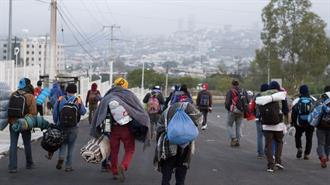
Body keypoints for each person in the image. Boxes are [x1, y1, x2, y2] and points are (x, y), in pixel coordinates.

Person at [90, 77, 150, 182]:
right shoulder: (130, 96)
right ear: (125, 86)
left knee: (114, 151)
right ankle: (123, 165)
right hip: (127, 129)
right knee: (130, 149)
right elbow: (138, 110)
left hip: (113, 129)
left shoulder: (109, 96)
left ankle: (114, 172)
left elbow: (101, 112)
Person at [154, 96, 203, 185]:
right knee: (181, 169)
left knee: (167, 169)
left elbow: (159, 127)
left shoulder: (167, 110)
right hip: (185, 145)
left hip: (168, 144)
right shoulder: (189, 107)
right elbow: (199, 119)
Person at [53, 83, 86, 172]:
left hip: (62, 126)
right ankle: (68, 166)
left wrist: (56, 122)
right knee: (71, 146)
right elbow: (83, 112)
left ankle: (61, 158)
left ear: (66, 90)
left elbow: (55, 112)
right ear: (75, 91)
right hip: (73, 127)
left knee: (62, 144)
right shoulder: (78, 100)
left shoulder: (60, 99)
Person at [7, 78, 37, 173]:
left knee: (13, 144)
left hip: (13, 122)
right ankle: (29, 163)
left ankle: (12, 167)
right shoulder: (30, 96)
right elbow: (34, 112)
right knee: (27, 143)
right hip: (25, 123)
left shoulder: (13, 94)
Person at [259, 81, 289, 172]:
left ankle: (270, 166)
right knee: (279, 142)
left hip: (266, 124)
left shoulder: (263, 95)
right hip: (278, 124)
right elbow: (285, 110)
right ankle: (278, 161)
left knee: (269, 145)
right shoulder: (281, 95)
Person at [291, 85, 316, 160]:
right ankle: (307, 154)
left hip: (299, 122)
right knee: (309, 138)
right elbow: (316, 112)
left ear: (300, 91)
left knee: (298, 136)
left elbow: (294, 112)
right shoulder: (313, 100)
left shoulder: (297, 100)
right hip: (310, 123)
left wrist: (293, 122)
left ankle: (299, 148)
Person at [225, 80, 248, 147]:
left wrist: (229, 109)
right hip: (241, 111)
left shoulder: (230, 91)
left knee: (229, 125)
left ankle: (233, 138)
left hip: (232, 111)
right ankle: (238, 141)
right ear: (238, 84)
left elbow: (227, 102)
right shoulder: (243, 91)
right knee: (238, 126)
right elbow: (248, 100)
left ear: (232, 85)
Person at [250, 83, 269, 158]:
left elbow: (251, 107)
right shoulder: (269, 96)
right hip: (268, 118)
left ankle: (260, 153)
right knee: (268, 136)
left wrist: (253, 114)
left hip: (259, 118)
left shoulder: (257, 96)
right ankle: (268, 151)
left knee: (259, 136)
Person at [315, 85, 330, 168]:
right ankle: (327, 156)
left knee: (321, 143)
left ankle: (322, 157)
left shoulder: (321, 98)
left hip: (321, 124)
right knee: (328, 144)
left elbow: (315, 110)